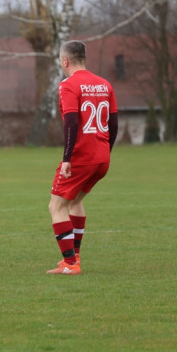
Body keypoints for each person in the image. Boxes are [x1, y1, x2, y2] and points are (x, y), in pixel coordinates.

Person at [46, 40, 118, 275]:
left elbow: (72, 121)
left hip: (81, 157)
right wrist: (106, 150)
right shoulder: (104, 84)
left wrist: (67, 157)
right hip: (101, 157)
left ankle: (70, 263)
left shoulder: (68, 85)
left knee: (56, 206)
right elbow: (113, 123)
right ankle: (74, 257)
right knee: (75, 202)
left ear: (65, 61)